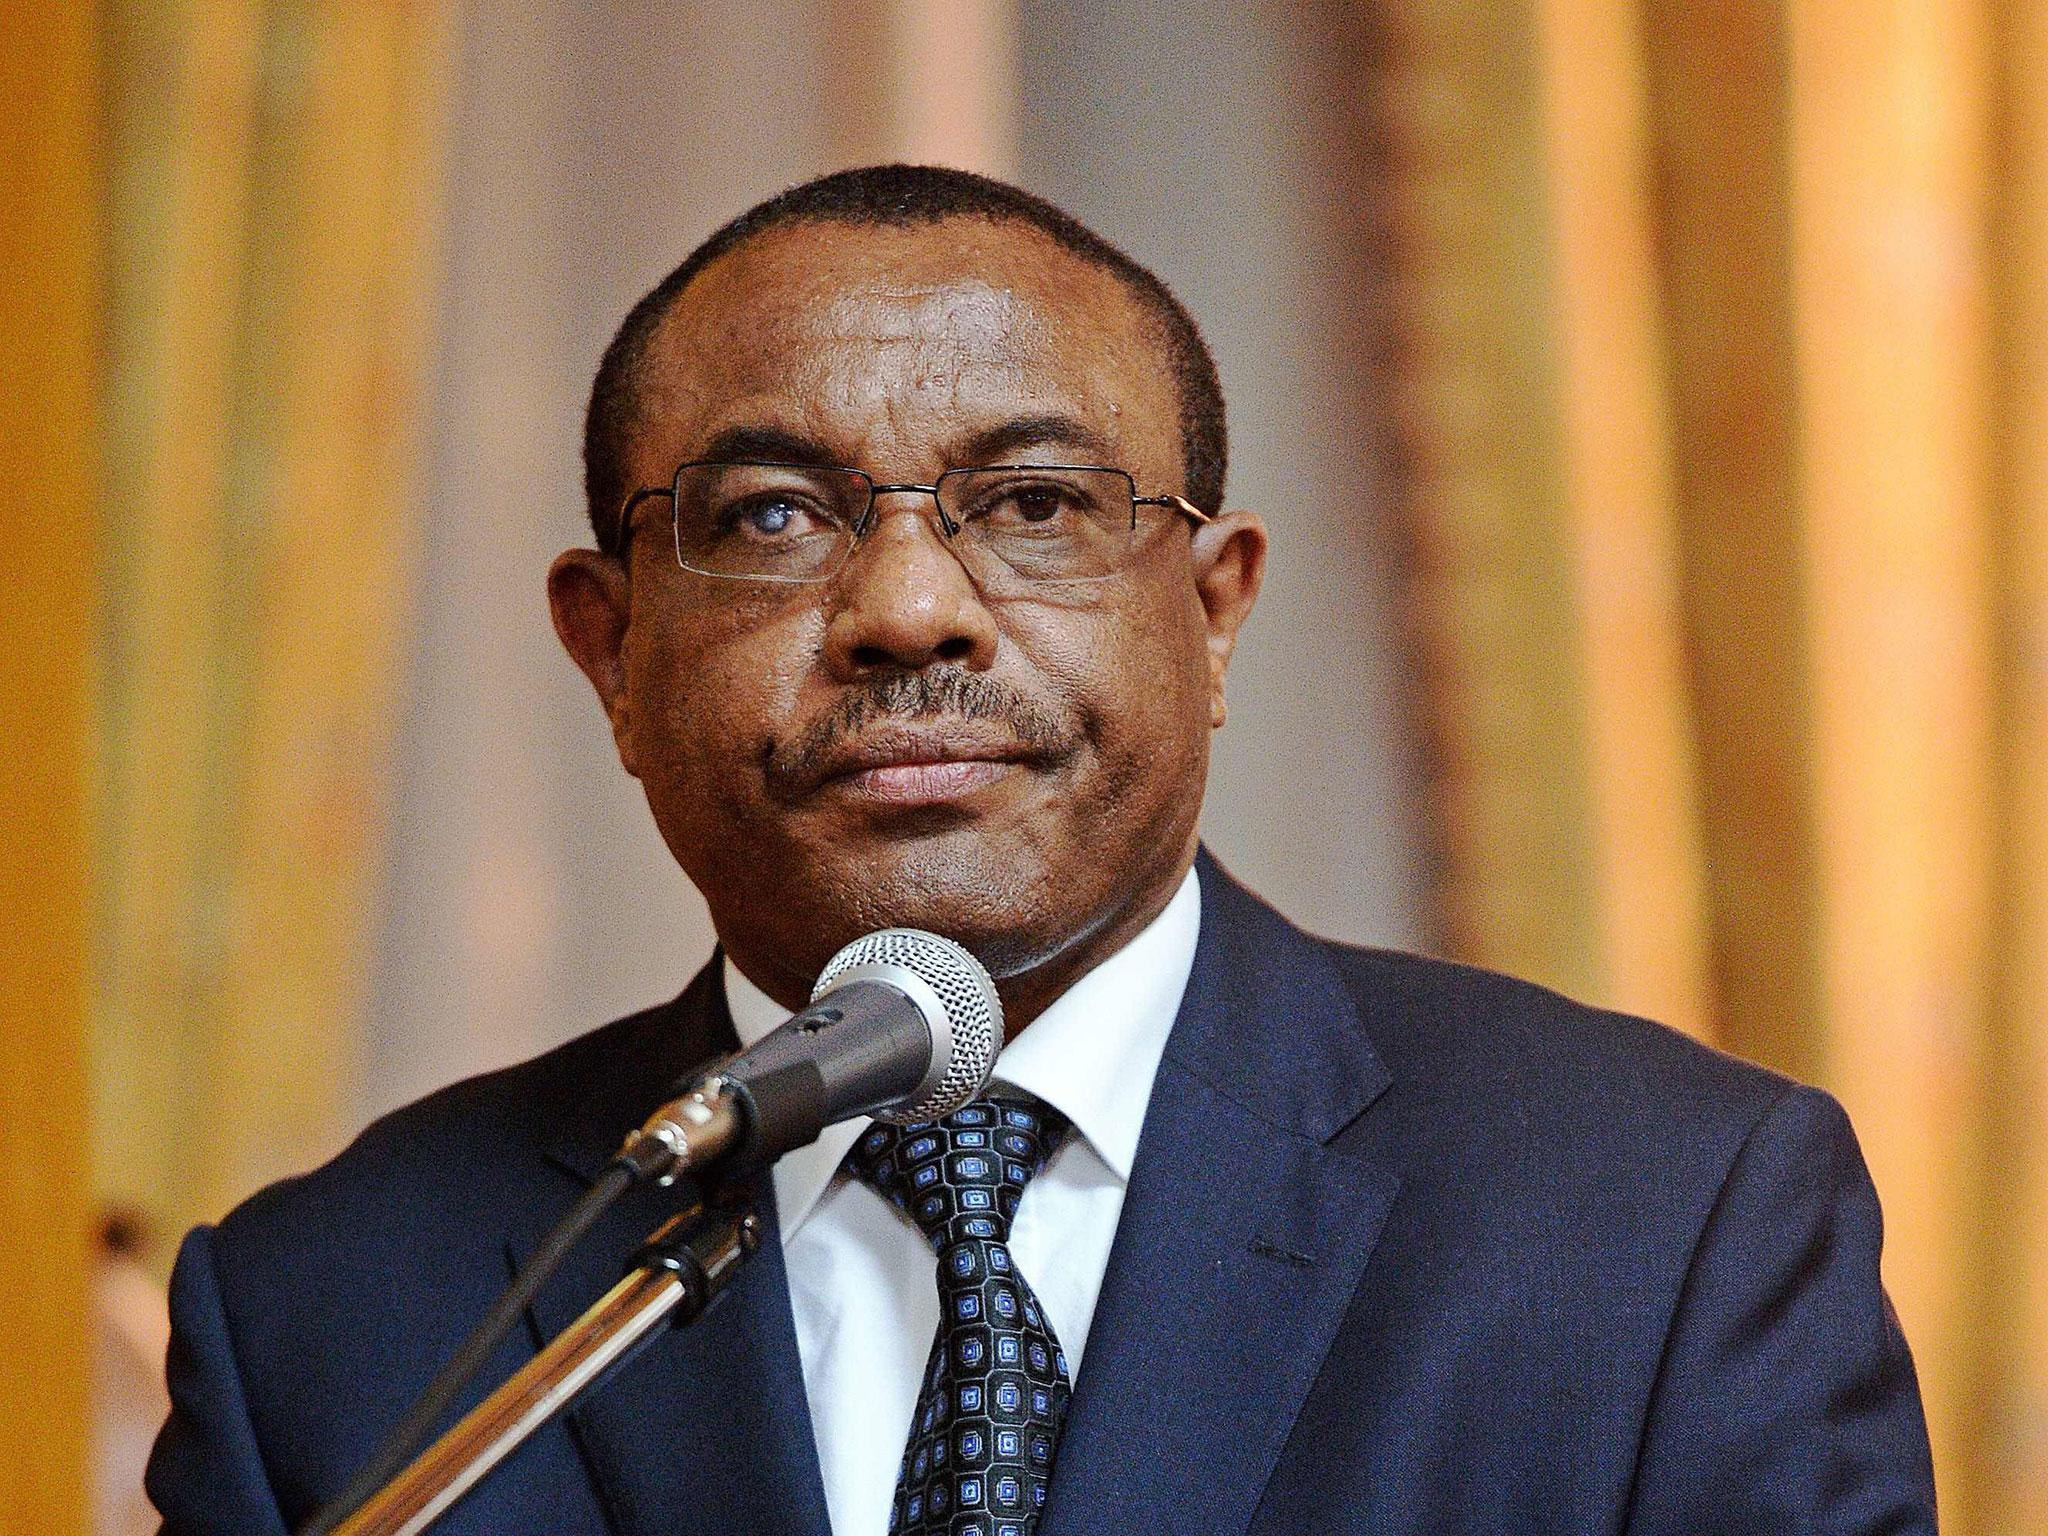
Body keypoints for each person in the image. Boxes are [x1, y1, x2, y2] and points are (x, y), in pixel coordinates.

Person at [147, 165, 1936, 1535]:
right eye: (774, 515)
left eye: (1038, 506)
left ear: (1216, 613)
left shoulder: (1655, 1227)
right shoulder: (341, 1313)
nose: (913, 610)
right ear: (611, 650)